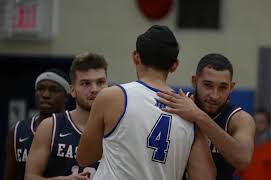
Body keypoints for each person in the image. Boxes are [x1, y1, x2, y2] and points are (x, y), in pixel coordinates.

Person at [77, 25, 216, 180]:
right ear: (175, 65)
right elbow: (205, 176)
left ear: (136, 57)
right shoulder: (189, 110)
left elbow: (84, 157)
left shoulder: (112, 96)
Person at [157, 53, 256, 180]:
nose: (214, 95)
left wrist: (199, 117)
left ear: (231, 88)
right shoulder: (174, 105)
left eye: (223, 87)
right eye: (208, 85)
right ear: (194, 81)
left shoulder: (239, 119)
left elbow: (243, 160)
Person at [25, 53, 108, 180]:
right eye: (86, 83)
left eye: (100, 82)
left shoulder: (118, 128)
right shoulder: (51, 126)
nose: (94, 89)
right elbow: (30, 177)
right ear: (72, 90)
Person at [4, 69, 70, 180]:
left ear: (67, 96)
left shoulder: (75, 129)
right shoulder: (17, 131)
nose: (45, 95)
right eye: (40, 89)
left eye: (54, 90)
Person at [236, 108, 271, 180]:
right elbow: (239, 175)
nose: (257, 125)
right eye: (255, 121)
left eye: (261, 122)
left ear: (268, 125)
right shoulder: (245, 150)